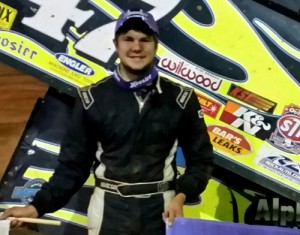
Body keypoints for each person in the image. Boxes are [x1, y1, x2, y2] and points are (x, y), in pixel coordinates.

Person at [0, 9, 214, 235]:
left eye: (145, 40)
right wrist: (37, 207)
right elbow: (73, 167)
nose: (136, 47)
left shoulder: (181, 98)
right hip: (107, 210)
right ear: (116, 43)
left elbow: (201, 160)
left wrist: (181, 195)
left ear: (156, 44)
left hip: (162, 210)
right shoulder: (92, 98)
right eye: (128, 39)